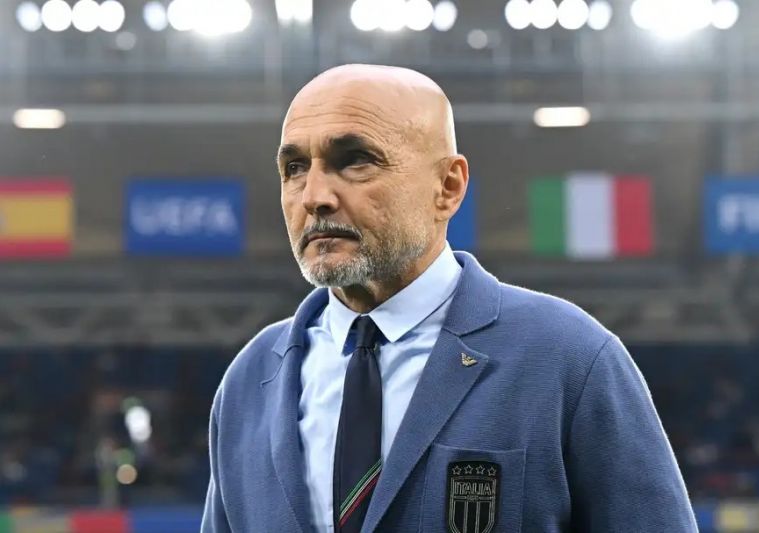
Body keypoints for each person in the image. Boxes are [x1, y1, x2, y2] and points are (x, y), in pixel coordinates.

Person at [201, 64, 698, 533]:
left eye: (354, 161)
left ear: (447, 187)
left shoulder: (569, 357)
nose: (314, 196)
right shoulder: (250, 380)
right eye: (294, 168)